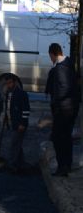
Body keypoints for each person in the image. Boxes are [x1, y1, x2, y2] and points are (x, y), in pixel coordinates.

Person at [46, 43, 78, 177]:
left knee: (58, 138)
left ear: (53, 54)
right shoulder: (69, 64)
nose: (50, 59)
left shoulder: (60, 68)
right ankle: (67, 165)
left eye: (50, 56)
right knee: (66, 138)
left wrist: (56, 104)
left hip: (63, 109)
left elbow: (63, 89)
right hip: (70, 108)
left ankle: (62, 167)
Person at [4, 74, 30, 173]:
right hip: (14, 123)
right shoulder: (9, 93)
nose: (8, 85)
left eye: (10, 83)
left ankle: (12, 164)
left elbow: (26, 110)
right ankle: (21, 163)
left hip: (19, 124)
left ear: (14, 82)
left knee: (14, 144)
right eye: (7, 83)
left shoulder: (21, 94)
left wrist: (22, 124)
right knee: (18, 144)